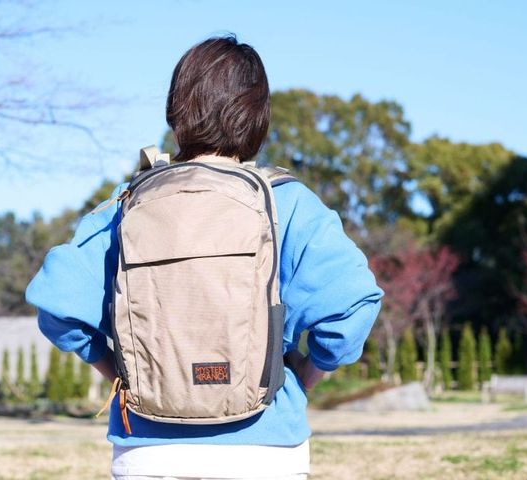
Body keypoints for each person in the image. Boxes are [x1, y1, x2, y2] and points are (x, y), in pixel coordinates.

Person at [26, 35, 383, 480]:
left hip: (147, 451)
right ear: (258, 116)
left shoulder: (129, 203)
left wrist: (121, 375)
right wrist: (306, 377)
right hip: (266, 448)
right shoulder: (287, 203)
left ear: (176, 111)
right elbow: (353, 309)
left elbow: (57, 305)